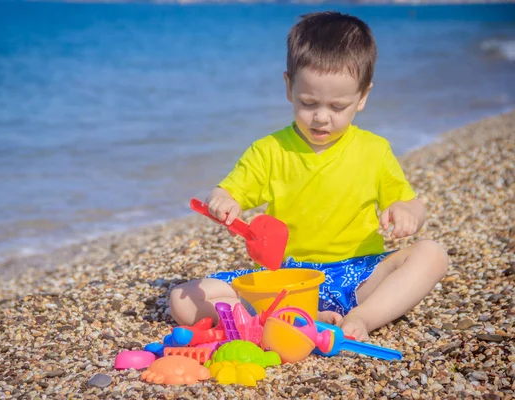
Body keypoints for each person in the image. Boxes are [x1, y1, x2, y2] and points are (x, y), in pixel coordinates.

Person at [169, 11, 448, 341]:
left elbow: (412, 204)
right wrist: (223, 203)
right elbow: (227, 191)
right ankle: (302, 315)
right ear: (289, 87)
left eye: (337, 107)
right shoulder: (269, 150)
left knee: (432, 253)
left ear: (363, 97)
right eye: (308, 102)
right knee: (182, 300)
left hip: (358, 273)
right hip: (286, 279)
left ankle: (362, 318)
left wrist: (407, 214)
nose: (321, 118)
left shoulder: (374, 151)